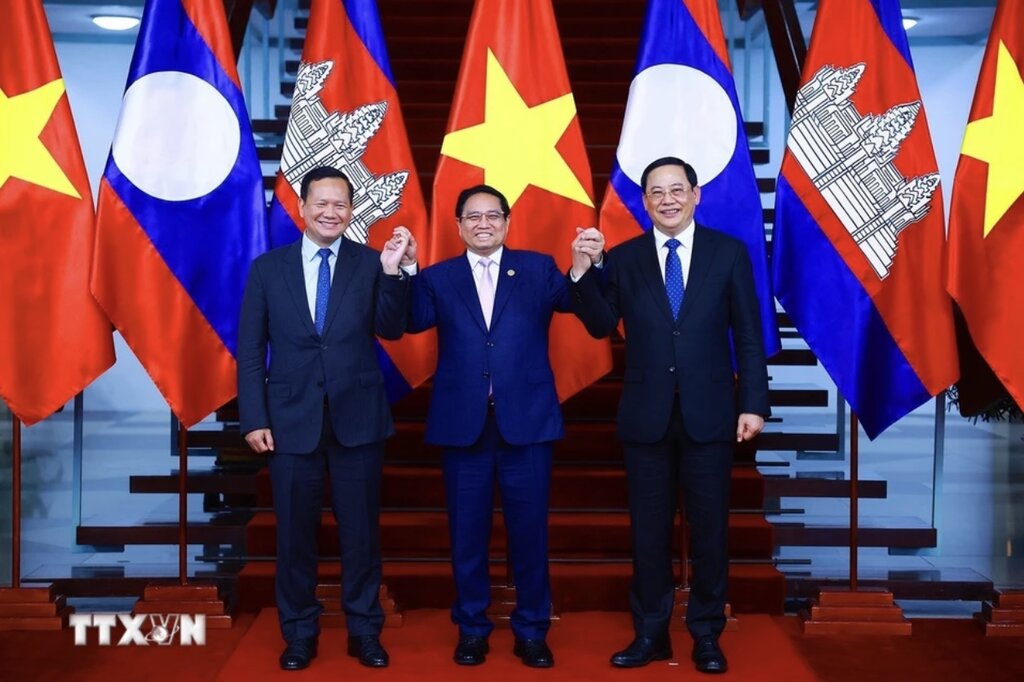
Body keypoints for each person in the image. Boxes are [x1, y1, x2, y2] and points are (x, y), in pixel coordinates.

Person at [568, 157, 770, 675]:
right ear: (645, 201)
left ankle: (706, 634)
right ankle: (651, 634)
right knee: (648, 533)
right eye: (656, 192)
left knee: (710, 533)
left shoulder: (728, 253)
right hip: (646, 416)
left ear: (696, 194)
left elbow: (748, 334)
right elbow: (596, 324)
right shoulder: (627, 257)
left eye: (677, 189)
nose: (668, 200)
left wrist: (753, 402)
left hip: (711, 414)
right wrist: (582, 272)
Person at [237, 166, 413, 671]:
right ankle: (299, 633)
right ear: (302, 208)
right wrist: (253, 417)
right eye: (322, 203)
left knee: (361, 534)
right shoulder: (269, 269)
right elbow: (250, 352)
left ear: (352, 211)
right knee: (294, 536)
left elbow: (391, 328)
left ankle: (364, 631)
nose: (331, 212)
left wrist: (396, 272)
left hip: (357, 420)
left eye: (341, 204)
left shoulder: (371, 262)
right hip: (290, 422)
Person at [400, 184, 569, 669]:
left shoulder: (537, 269)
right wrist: (407, 269)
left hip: (528, 424)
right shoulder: (437, 277)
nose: (483, 224)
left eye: (492, 216)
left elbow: (579, 303)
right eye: (472, 217)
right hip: (464, 427)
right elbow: (409, 322)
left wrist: (584, 267)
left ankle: (532, 630)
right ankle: (472, 628)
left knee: (530, 536)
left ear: (507, 222)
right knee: (467, 537)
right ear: (458, 226)